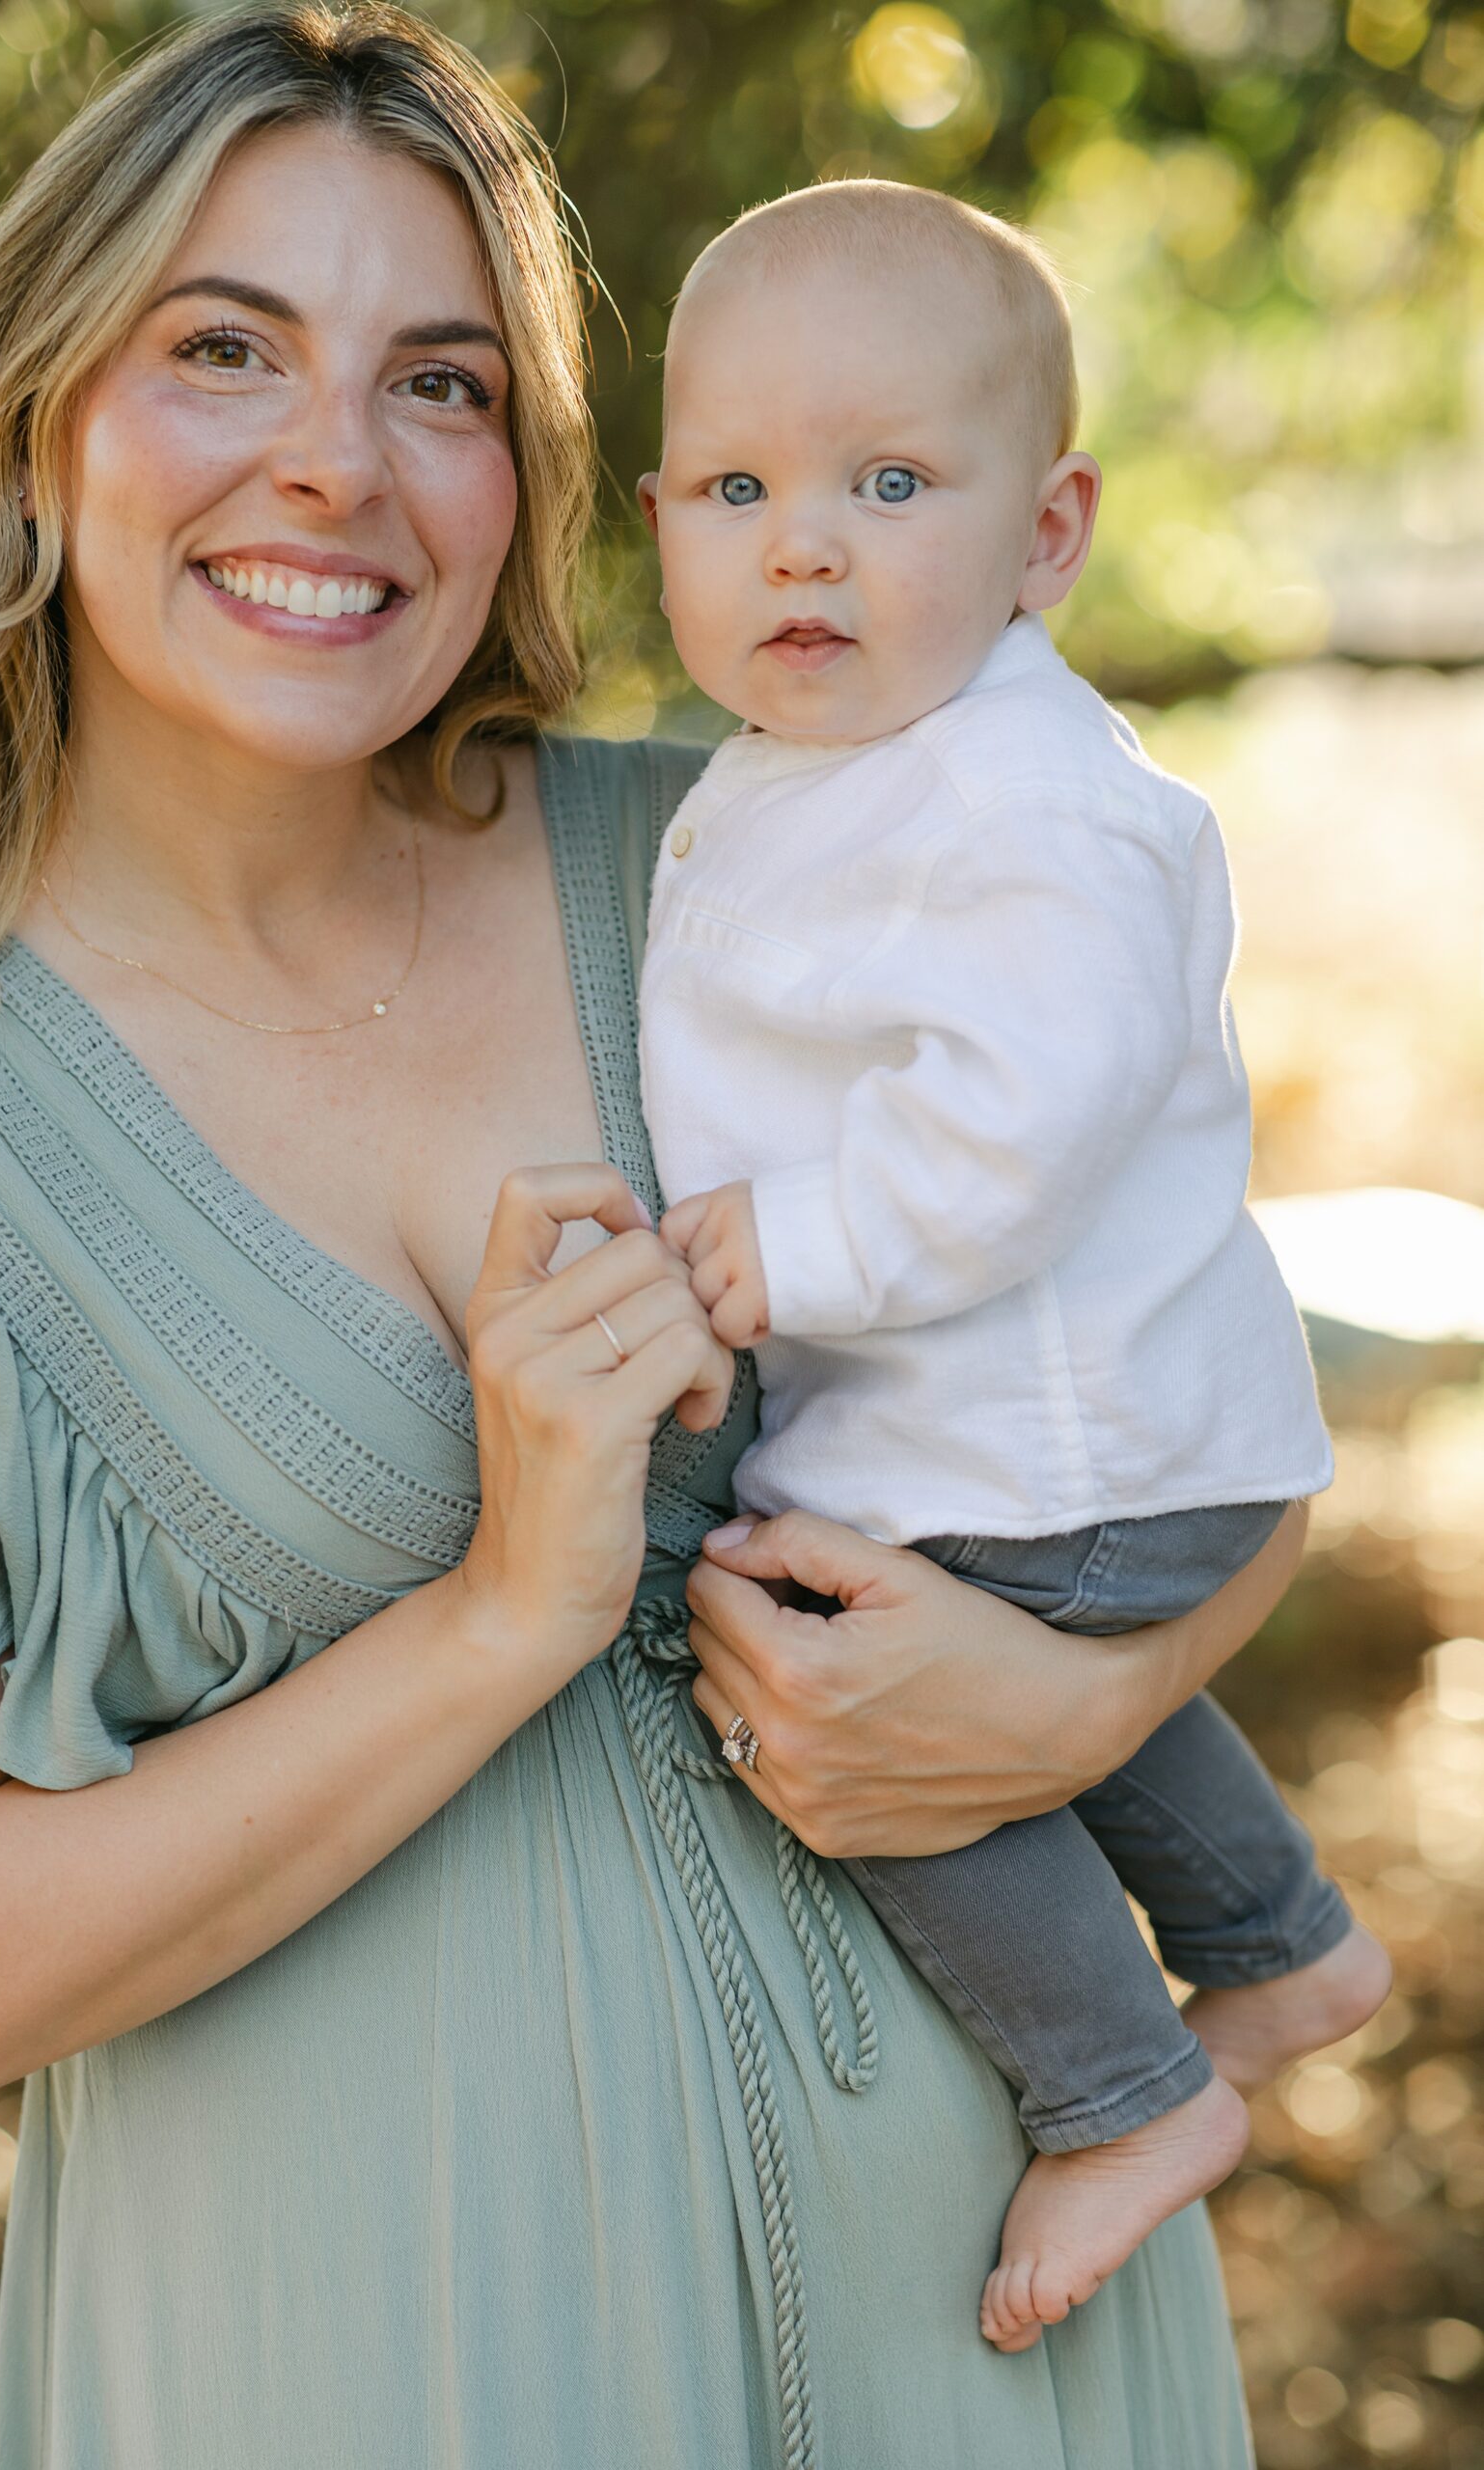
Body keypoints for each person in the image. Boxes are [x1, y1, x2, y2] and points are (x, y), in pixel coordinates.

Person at [0, 11, 1296, 2465]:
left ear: (529, 479)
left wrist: (1087, 1707)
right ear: (34, 413)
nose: (336, 460)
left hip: (1007, 2340)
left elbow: (1178, 1384)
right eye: (223, 348)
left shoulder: (745, 863)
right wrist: (504, 1608)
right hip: (374, 2363)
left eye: (440, 381)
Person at [636, 179, 1390, 2354]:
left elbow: (1020, 1123)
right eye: (737, 485)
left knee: (836, 1695)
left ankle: (1123, 2085)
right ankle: (1278, 1947)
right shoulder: (820, 772)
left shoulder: (1027, 802)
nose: (802, 541)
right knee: (987, 1657)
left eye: (887, 482)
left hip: (1058, 1455)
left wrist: (792, 1242)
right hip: (1074, 1447)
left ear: (1045, 533)